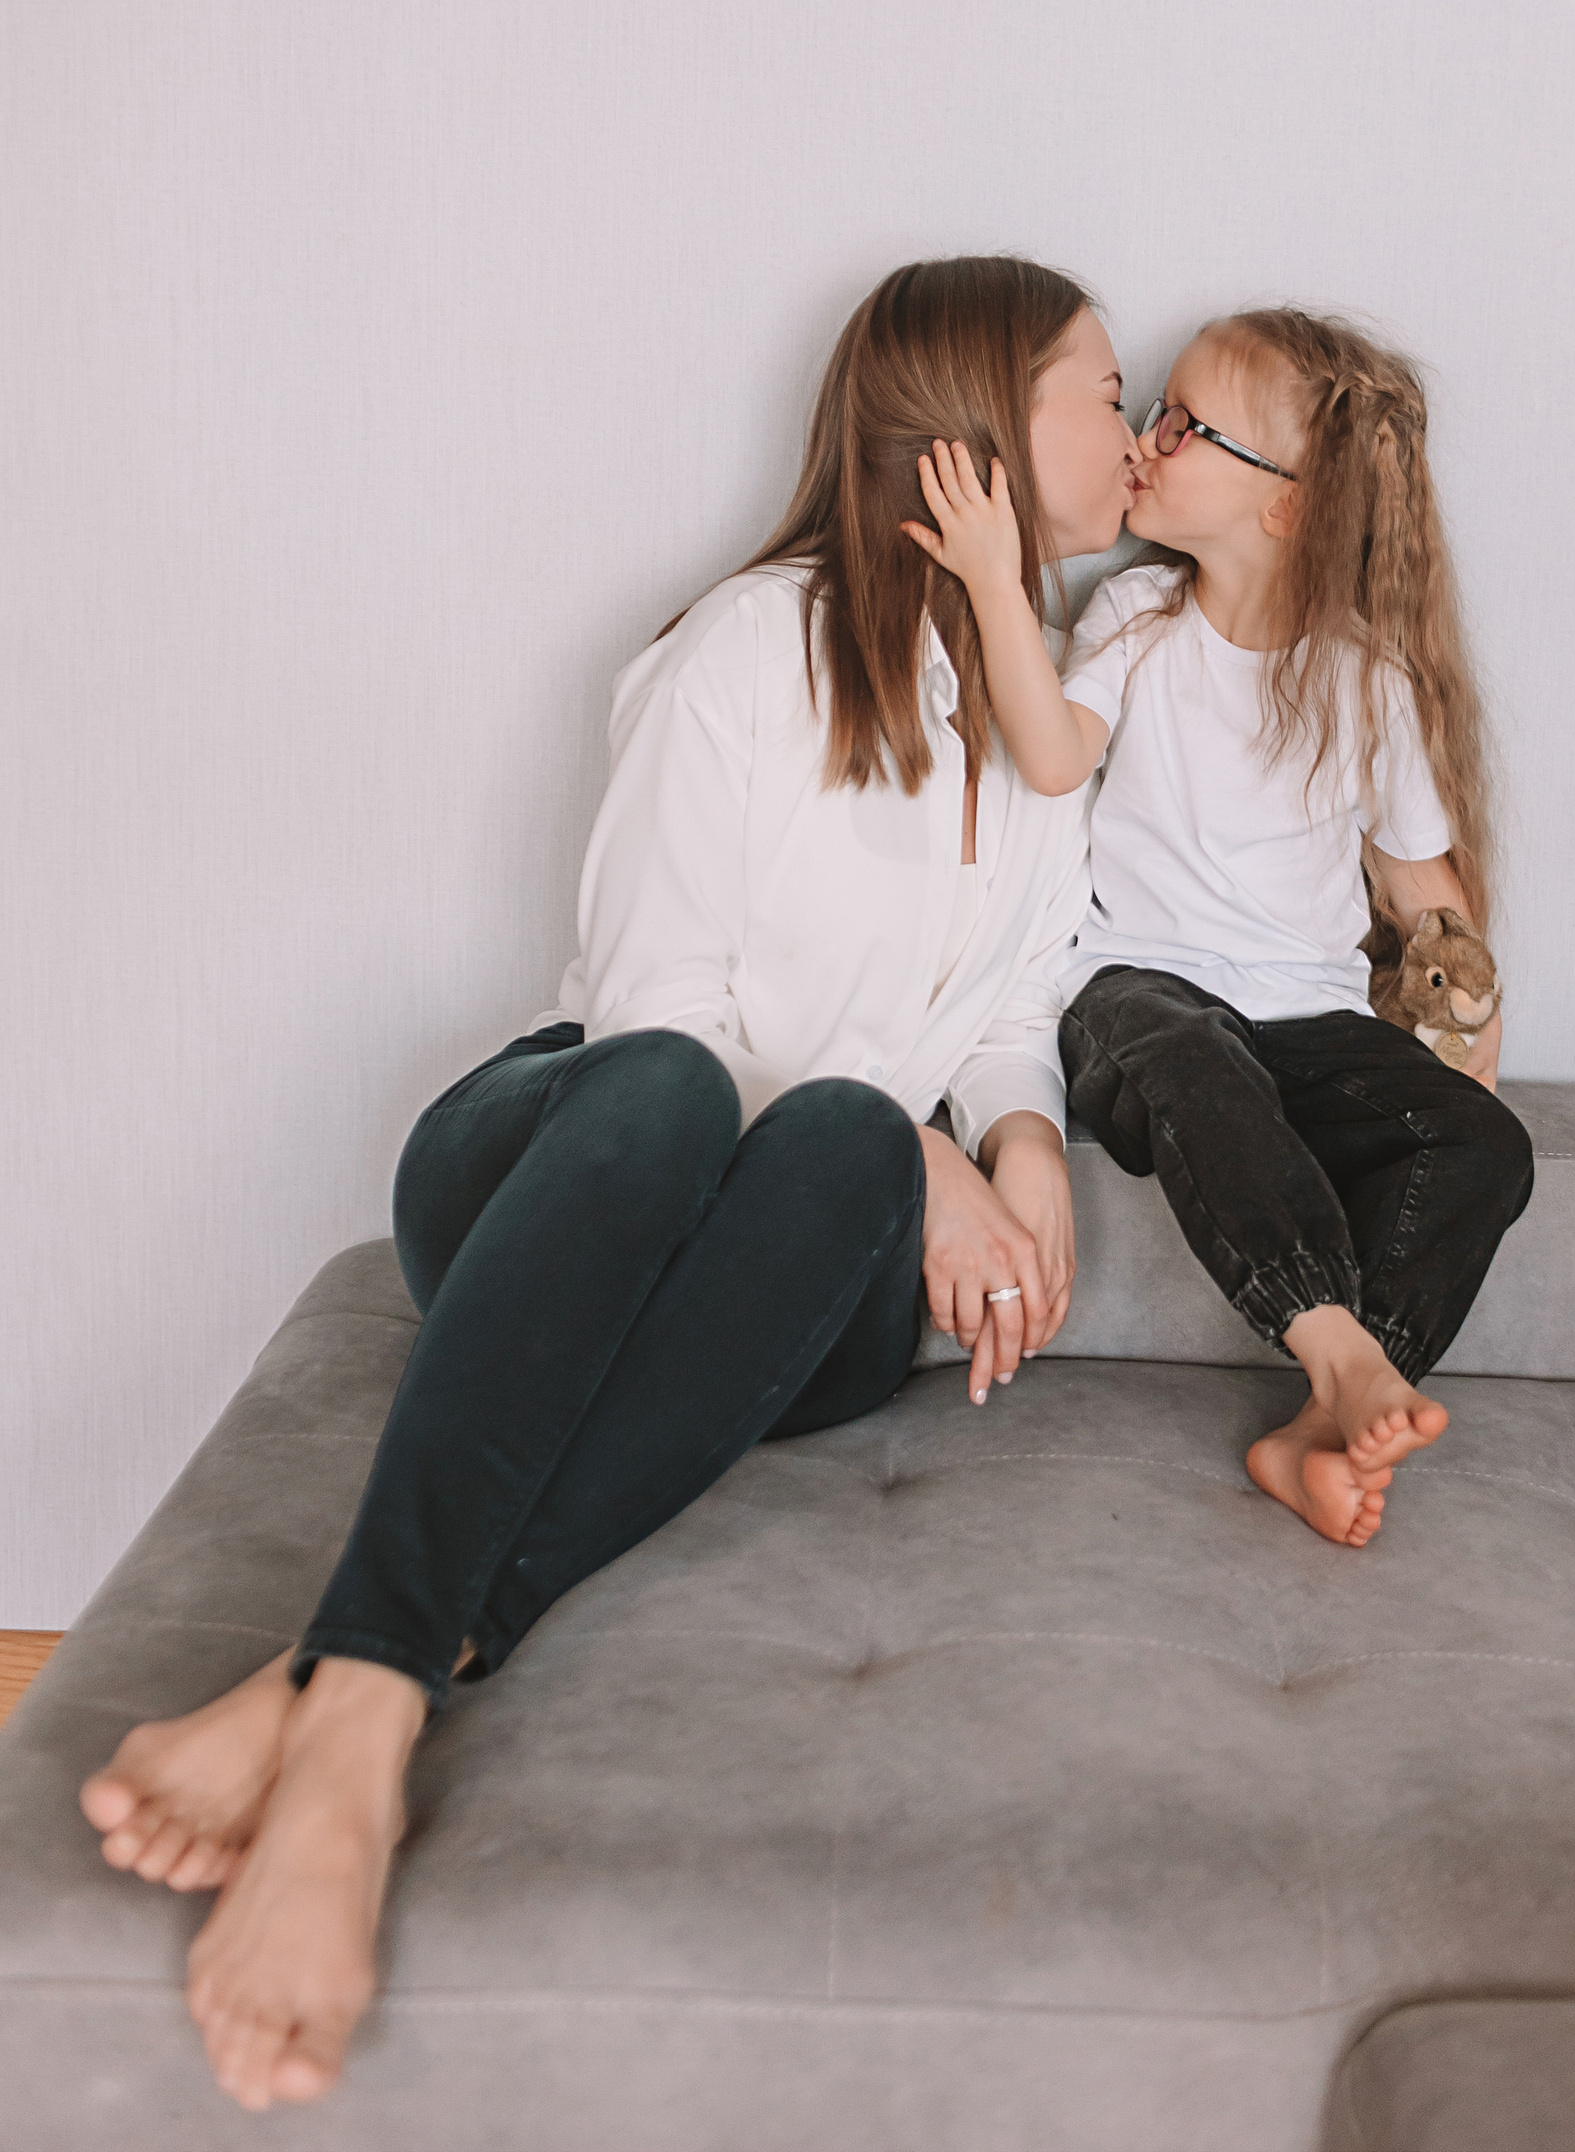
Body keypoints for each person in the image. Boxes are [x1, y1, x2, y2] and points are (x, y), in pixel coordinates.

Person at [77, 255, 1144, 2112]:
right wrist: (929, 1152)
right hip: (571, 1176)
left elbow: (1010, 1003)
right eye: (1105, 393)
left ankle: (326, 1683)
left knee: (838, 1146)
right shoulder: (751, 648)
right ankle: (367, 1731)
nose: (1131, 434)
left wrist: (1024, 1143)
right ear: (977, 423)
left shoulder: (1046, 714)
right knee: (681, 1093)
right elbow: (666, 1011)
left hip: (782, 1267)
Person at [903, 304, 1534, 1554]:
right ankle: (1341, 1353)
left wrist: (1459, 1071)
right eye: (1154, 409)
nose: (1145, 437)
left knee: (1488, 1147)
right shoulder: (1137, 616)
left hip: (1306, 1016)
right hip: (1137, 995)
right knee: (1200, 1058)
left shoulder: (1369, 682)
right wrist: (990, 578)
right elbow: (1050, 755)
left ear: (1290, 507)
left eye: (1186, 425)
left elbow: (1431, 907)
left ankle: (1316, 1429)